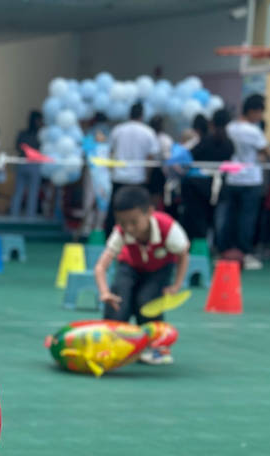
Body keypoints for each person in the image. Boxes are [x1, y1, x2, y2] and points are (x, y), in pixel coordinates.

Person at [92, 186, 189, 366]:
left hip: (159, 269)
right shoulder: (120, 232)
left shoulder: (168, 228)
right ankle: (110, 345)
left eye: (134, 222)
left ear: (150, 212)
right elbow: (100, 267)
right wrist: (104, 292)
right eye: (122, 222)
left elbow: (183, 254)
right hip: (129, 266)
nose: (128, 228)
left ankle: (158, 349)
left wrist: (176, 285)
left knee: (147, 301)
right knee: (118, 300)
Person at [217, 94, 269, 270]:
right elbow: (266, 151)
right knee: (246, 220)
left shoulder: (230, 127)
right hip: (250, 179)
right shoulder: (254, 131)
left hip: (232, 177)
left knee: (229, 218)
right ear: (253, 111)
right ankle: (244, 254)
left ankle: (225, 252)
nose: (261, 116)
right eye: (260, 112)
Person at [104, 102, 159, 237]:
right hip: (138, 179)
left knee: (114, 213)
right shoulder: (148, 132)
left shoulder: (118, 130)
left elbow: (110, 152)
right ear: (142, 115)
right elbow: (151, 157)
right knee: (138, 213)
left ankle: (110, 238)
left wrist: (112, 171)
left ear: (130, 114)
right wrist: (147, 176)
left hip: (119, 177)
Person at [181, 109, 234, 242]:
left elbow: (189, 157)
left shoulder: (204, 141)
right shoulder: (229, 144)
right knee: (215, 220)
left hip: (197, 187)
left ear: (212, 122)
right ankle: (212, 245)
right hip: (217, 186)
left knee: (197, 218)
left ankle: (197, 245)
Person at [10, 110, 43, 218]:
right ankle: (30, 217)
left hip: (21, 163)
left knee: (18, 191)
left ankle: (13, 215)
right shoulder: (40, 135)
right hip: (34, 165)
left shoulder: (22, 133)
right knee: (32, 192)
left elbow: (17, 146)